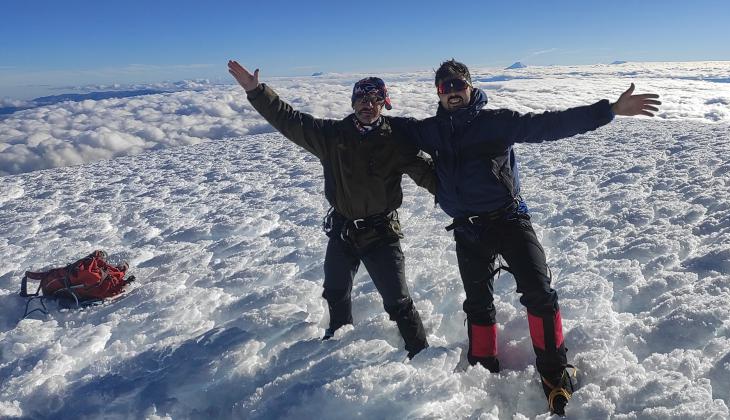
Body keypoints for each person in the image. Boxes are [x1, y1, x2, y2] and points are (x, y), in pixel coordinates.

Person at [389, 59, 660, 415]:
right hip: (468, 229)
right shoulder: (429, 131)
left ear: (470, 86)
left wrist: (608, 110)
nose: (453, 92)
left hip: (509, 220)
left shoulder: (495, 123)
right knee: (478, 302)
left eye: (458, 85)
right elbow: (381, 128)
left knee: (539, 294)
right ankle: (483, 363)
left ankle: (554, 372)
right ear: (438, 93)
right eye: (445, 88)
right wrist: (368, 108)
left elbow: (550, 124)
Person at [227, 60, 436, 359]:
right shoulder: (332, 136)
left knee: (398, 302)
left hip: (381, 233)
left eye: (375, 99)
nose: (368, 105)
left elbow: (429, 175)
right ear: (353, 103)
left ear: (384, 104)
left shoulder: (395, 142)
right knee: (336, 291)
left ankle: (420, 353)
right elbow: (291, 120)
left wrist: (468, 198)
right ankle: (338, 344)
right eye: (362, 99)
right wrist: (257, 91)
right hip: (343, 230)